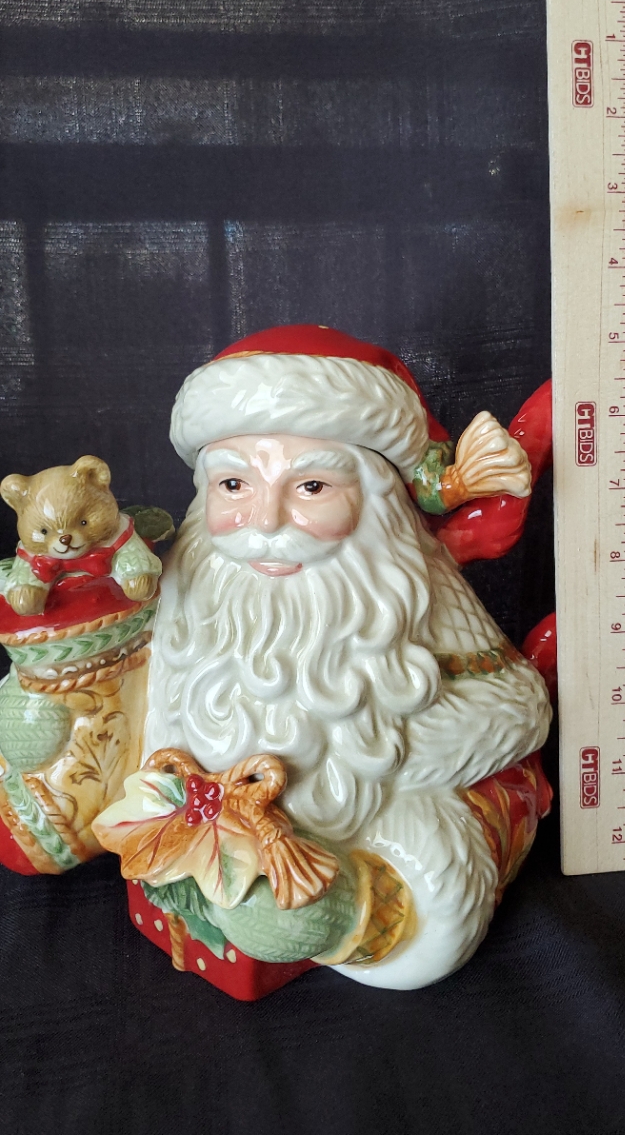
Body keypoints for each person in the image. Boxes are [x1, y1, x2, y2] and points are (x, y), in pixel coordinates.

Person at [142, 325, 552, 990]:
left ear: (376, 502)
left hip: (381, 841)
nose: (264, 521)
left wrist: (389, 750)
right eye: (234, 484)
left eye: (310, 487)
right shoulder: (189, 597)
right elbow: (159, 710)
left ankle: (359, 926)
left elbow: (517, 705)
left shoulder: (404, 589)